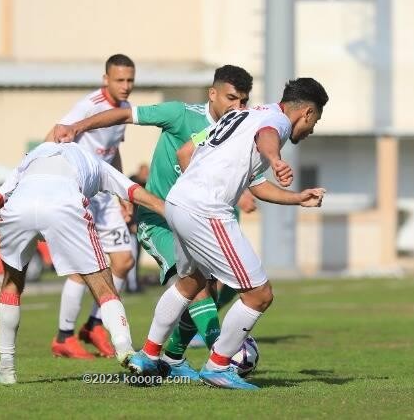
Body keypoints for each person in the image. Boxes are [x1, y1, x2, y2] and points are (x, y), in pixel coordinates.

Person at [53, 65, 257, 379]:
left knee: (227, 286)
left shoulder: (239, 128)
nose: (237, 107)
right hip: (159, 219)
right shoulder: (179, 114)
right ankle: (221, 358)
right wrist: (77, 127)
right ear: (212, 94)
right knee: (195, 285)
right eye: (232, 98)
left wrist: (264, 192)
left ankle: (173, 358)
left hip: (200, 220)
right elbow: (124, 115)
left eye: (243, 101)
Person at [126, 77, 329, 389]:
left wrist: (297, 197)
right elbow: (268, 135)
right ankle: (218, 366)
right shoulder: (275, 122)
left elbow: (250, 181)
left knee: (190, 283)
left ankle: (148, 354)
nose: (311, 129)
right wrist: (276, 158)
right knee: (259, 295)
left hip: (178, 202)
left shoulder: (242, 115)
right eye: (314, 121)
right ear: (306, 113)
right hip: (207, 210)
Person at [0, 141, 165, 384]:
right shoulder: (97, 163)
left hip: (17, 209)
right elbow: (135, 193)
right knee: (102, 283)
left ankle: (6, 369)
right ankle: (126, 350)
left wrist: (25, 227)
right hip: (65, 206)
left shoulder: (28, 161)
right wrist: (168, 211)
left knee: (11, 284)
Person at [44, 54, 137, 359]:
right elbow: (56, 132)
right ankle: (64, 336)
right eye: (120, 80)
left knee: (123, 261)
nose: (126, 86)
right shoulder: (89, 106)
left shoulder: (124, 109)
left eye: (130, 80)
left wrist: (123, 194)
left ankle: (95, 325)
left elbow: (113, 151)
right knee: (83, 266)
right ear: (105, 79)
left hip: (106, 195)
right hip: (79, 194)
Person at [126, 164, 149, 293]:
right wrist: (131, 225)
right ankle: (132, 286)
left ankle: (134, 283)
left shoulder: (145, 186)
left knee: (137, 257)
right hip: (131, 229)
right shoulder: (132, 183)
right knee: (132, 258)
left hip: (139, 228)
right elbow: (129, 206)